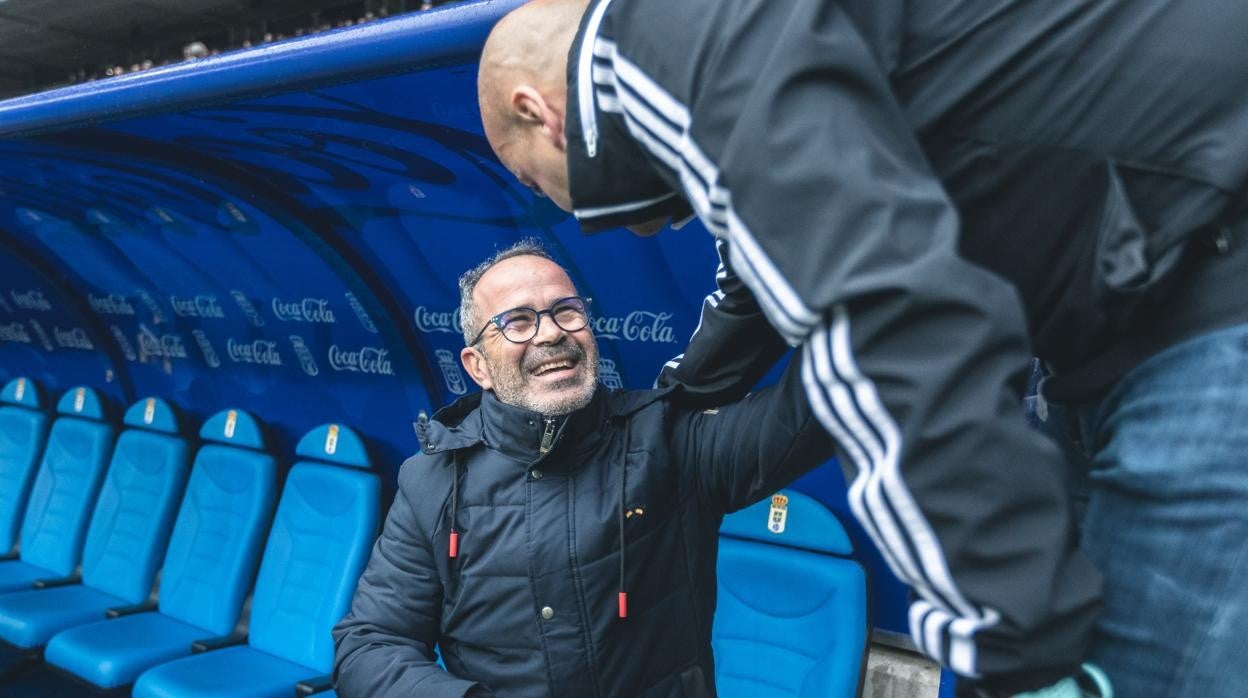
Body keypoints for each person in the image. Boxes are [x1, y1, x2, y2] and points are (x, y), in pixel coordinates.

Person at [475, 1, 1248, 696]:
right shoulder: (724, 53)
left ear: (539, 112)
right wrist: (675, 399)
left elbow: (887, 324)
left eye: (537, 185)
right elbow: (760, 282)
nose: (569, 213)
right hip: (1122, 321)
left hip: (1206, 280)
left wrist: (1010, 648)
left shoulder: (664, 49)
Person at [332, 240, 834, 696]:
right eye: (518, 322)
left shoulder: (669, 441)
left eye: (567, 311)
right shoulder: (433, 482)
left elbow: (827, 401)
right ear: (477, 365)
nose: (551, 333)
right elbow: (369, 645)